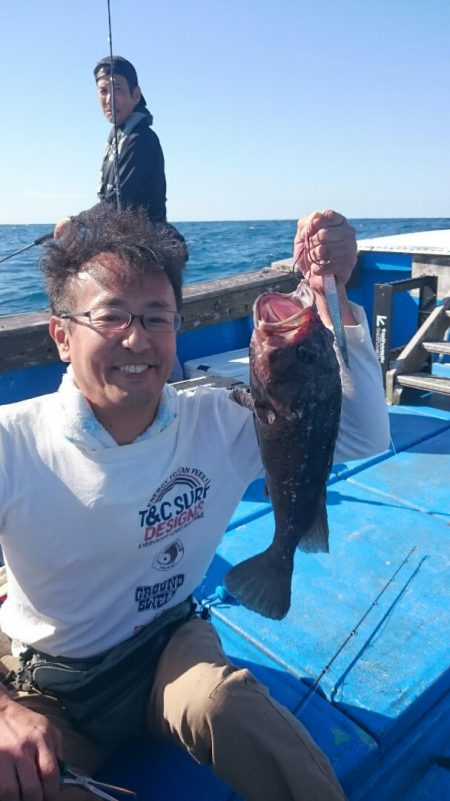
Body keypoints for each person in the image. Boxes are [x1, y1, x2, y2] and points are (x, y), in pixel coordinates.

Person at [0, 205, 389, 801]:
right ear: (61, 334)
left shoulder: (221, 417)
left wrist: (332, 294)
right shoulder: (12, 441)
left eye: (158, 317)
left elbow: (364, 437)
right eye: (112, 317)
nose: (138, 338)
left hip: (169, 646)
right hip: (48, 685)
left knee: (228, 704)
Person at [54, 56, 169, 237]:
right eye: (103, 91)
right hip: (121, 237)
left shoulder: (139, 139)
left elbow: (118, 204)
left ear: (136, 94)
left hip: (147, 246)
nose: (109, 99)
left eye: (117, 89)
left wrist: (74, 222)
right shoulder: (118, 137)